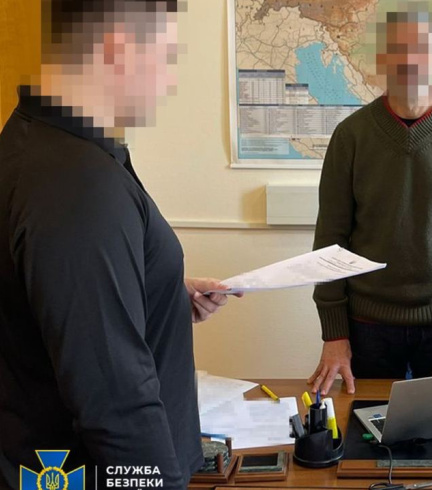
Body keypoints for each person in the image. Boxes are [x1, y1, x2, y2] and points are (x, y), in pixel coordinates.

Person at [0, 1, 238, 489]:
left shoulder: (40, 142)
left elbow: (61, 301)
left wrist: (158, 290)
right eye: (166, 57)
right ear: (118, 48)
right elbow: (115, 402)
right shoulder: (76, 186)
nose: (169, 80)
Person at [308, 4, 432, 395]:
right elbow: (330, 240)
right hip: (368, 325)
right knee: (364, 427)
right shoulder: (351, 136)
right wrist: (334, 334)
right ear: (382, 59)